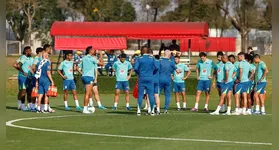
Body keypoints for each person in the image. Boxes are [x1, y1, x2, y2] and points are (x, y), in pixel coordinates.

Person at [134, 46, 159, 116]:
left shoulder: (139, 59)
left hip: (142, 78)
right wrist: (152, 72)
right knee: (151, 94)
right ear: (148, 51)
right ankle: (152, 111)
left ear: (142, 51)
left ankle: (138, 110)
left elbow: (135, 68)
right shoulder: (152, 58)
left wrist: (139, 73)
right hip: (150, 78)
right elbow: (157, 67)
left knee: (140, 94)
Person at [78, 46, 103, 114]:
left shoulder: (84, 58)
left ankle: (88, 106)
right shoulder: (92, 58)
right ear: (90, 51)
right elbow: (102, 63)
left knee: (88, 93)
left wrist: (82, 72)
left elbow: (78, 67)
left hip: (84, 76)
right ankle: (85, 109)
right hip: (89, 77)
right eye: (93, 50)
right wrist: (101, 55)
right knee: (87, 93)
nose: (94, 50)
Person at [13, 46, 34, 111]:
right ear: (26, 51)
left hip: (29, 77)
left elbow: (31, 67)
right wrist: (23, 72)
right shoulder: (23, 57)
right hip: (23, 77)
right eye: (30, 51)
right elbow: (18, 65)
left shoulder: (31, 58)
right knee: (23, 91)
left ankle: (29, 105)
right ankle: (22, 105)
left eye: (31, 51)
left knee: (29, 91)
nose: (31, 52)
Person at [30, 47, 44, 111]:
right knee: (34, 90)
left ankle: (36, 105)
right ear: (40, 52)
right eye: (42, 52)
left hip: (40, 77)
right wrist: (35, 74)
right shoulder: (36, 58)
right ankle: (32, 106)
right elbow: (33, 67)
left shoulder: (41, 58)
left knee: (39, 91)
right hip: (35, 77)